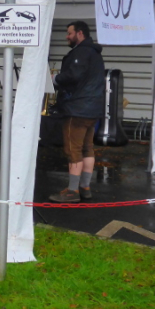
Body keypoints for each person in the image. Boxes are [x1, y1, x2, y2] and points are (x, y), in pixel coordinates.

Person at [49, 21, 105, 203]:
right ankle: (85, 188)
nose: (67, 37)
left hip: (78, 109)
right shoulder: (95, 53)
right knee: (87, 148)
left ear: (80, 33)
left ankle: (72, 191)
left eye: (69, 33)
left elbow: (73, 75)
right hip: (93, 109)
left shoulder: (81, 52)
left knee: (73, 150)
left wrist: (55, 78)